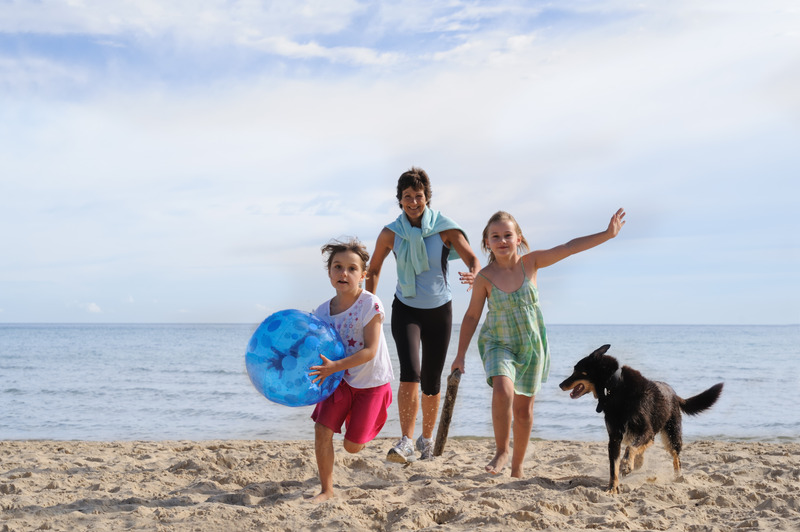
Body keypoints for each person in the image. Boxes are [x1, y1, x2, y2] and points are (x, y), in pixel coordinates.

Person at [451, 208, 626, 478]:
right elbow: (472, 315)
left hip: (531, 346)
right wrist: (460, 355)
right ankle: (501, 451)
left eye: (507, 235)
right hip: (499, 343)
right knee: (502, 391)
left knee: (523, 412)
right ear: (487, 242)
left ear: (518, 238)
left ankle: (517, 468)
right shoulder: (484, 278)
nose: (502, 241)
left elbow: (568, 247)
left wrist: (607, 234)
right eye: (495, 236)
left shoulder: (530, 263)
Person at [366, 167, 480, 462]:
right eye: (407, 197)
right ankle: (405, 440)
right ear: (399, 200)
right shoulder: (391, 233)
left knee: (431, 380)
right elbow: (374, 268)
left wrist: (474, 274)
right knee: (410, 373)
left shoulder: (444, 228)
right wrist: (368, 302)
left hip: (439, 310)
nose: (413, 202)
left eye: (419, 197)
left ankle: (426, 440)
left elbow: (472, 258)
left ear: (427, 198)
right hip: (406, 309)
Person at [308, 238, 394, 502]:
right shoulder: (322, 312)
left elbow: (369, 351)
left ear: (363, 275)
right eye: (337, 267)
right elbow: (314, 349)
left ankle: (364, 421)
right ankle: (327, 490)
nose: (343, 273)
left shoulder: (370, 304)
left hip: (372, 382)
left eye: (351, 268)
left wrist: (335, 365)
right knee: (322, 430)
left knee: (352, 446)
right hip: (339, 381)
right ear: (330, 272)